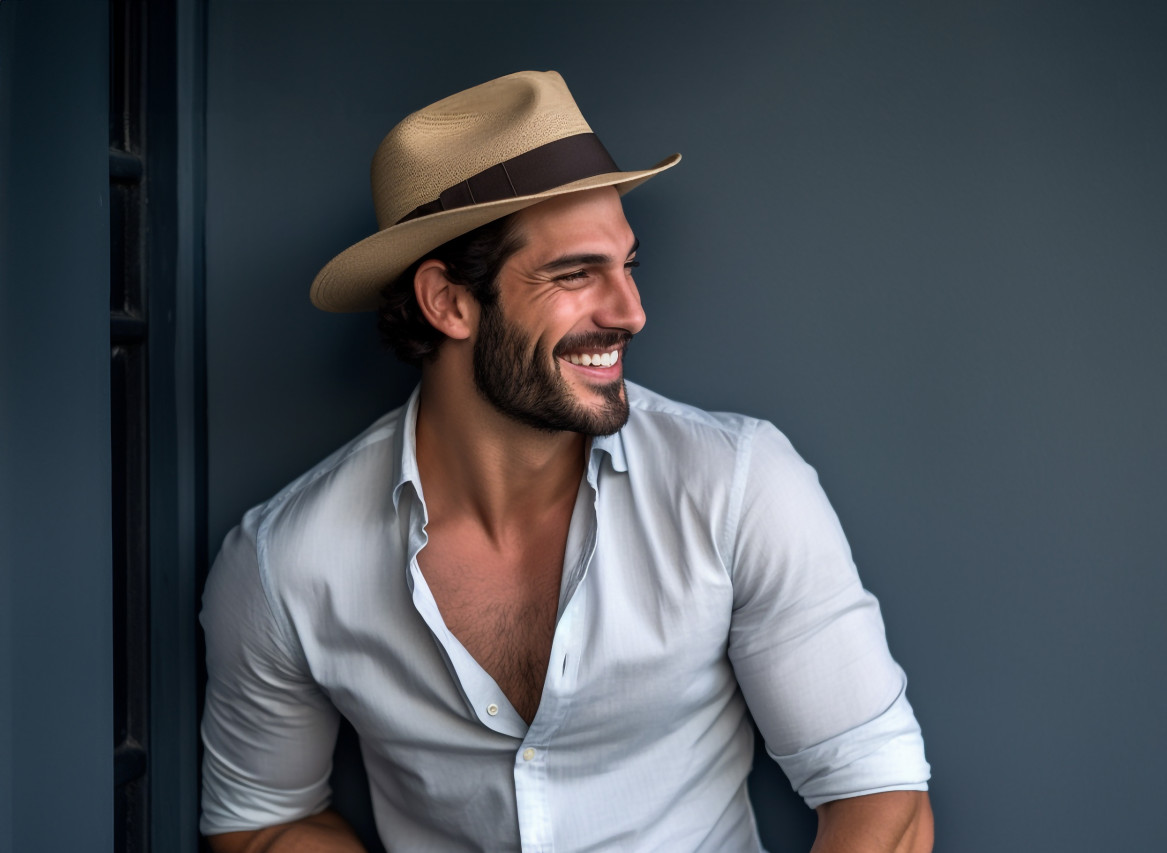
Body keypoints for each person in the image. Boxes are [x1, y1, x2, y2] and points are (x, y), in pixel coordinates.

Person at [200, 70, 933, 853]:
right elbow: (263, 818)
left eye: (627, 266)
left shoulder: (737, 485)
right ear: (448, 301)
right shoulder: (284, 562)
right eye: (576, 274)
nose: (630, 312)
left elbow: (879, 793)